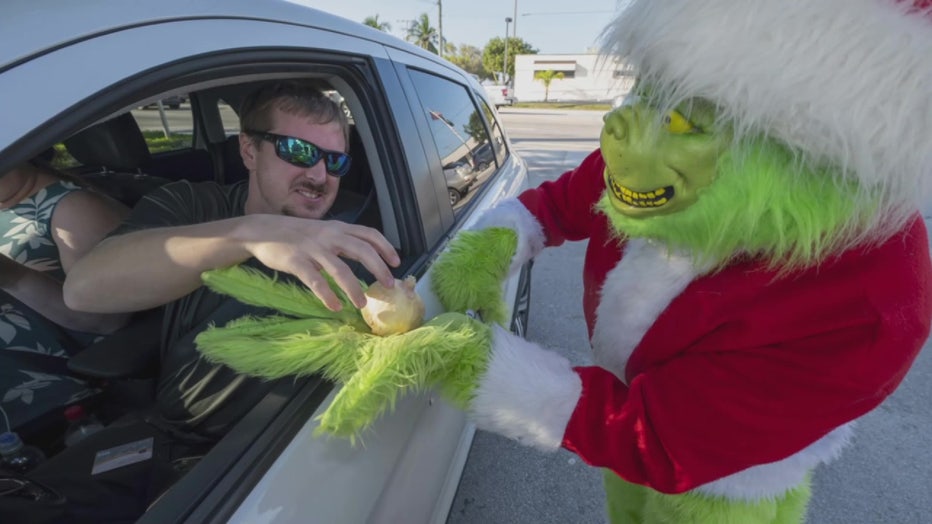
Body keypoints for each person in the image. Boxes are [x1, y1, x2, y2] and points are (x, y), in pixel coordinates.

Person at [63, 80, 400, 439]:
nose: (319, 175)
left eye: (334, 161)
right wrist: (251, 234)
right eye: (298, 151)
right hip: (194, 434)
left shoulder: (356, 237)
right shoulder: (189, 205)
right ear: (249, 150)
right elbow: (83, 290)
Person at [0, 154, 129, 431]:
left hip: (48, 373)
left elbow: (107, 320)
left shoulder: (74, 209)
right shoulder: (8, 202)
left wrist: (12, 277)